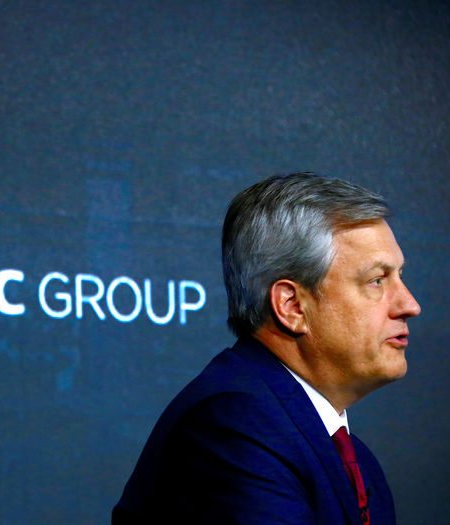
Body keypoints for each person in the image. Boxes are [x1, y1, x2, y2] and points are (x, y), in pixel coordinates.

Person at [113, 172, 420, 524]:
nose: (409, 304)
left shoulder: (357, 462)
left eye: (399, 277)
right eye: (377, 281)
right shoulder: (233, 426)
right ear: (292, 306)